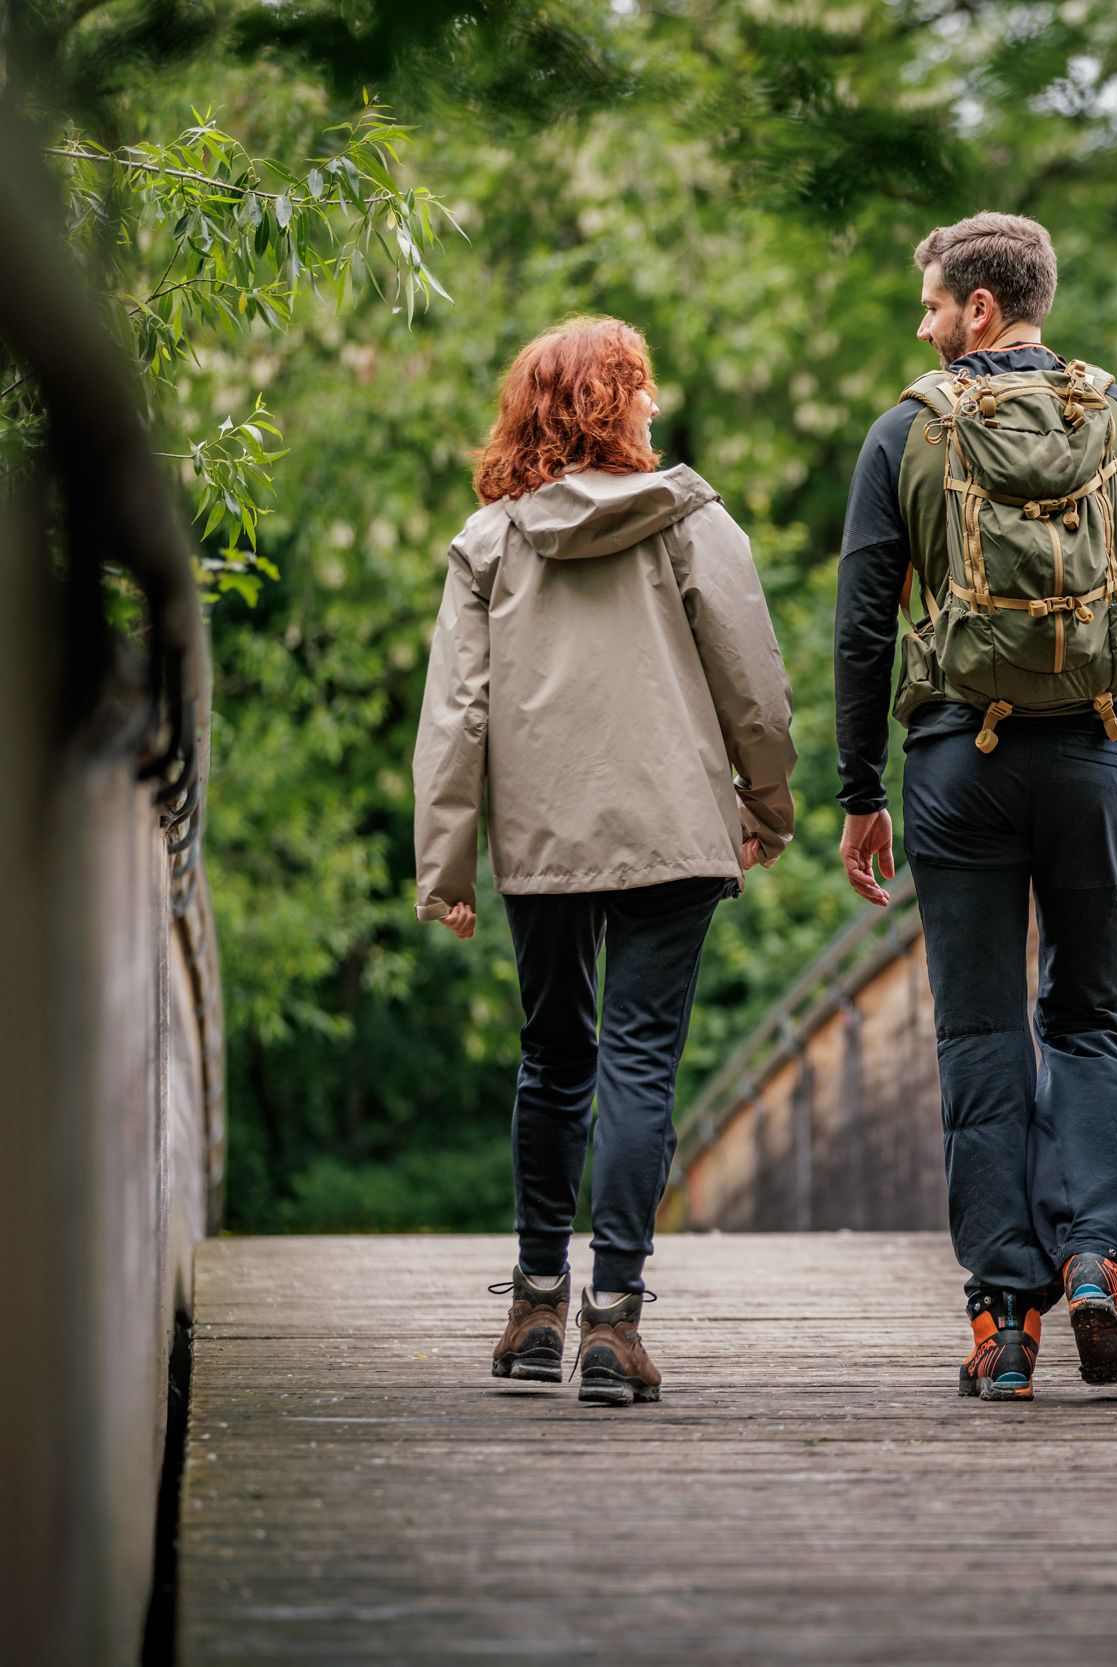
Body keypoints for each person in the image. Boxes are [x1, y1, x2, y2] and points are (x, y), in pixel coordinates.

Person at [834, 212, 1117, 1400]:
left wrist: (860, 792)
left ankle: (1003, 1317)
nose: (924, 325)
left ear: (981, 311)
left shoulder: (904, 430)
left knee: (980, 1034)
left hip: (959, 764)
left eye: (934, 304)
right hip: (1096, 759)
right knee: (1090, 1020)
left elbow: (861, 628)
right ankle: (1100, 1261)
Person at [413, 315, 797, 1406]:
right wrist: (765, 801)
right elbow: (752, 680)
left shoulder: (489, 542)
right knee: (638, 1062)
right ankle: (612, 1323)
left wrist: (444, 863)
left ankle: (537, 1301)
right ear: (614, 401)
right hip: (675, 832)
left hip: (543, 839)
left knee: (552, 1056)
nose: (657, 404)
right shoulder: (689, 518)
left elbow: (455, 716)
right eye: (645, 386)